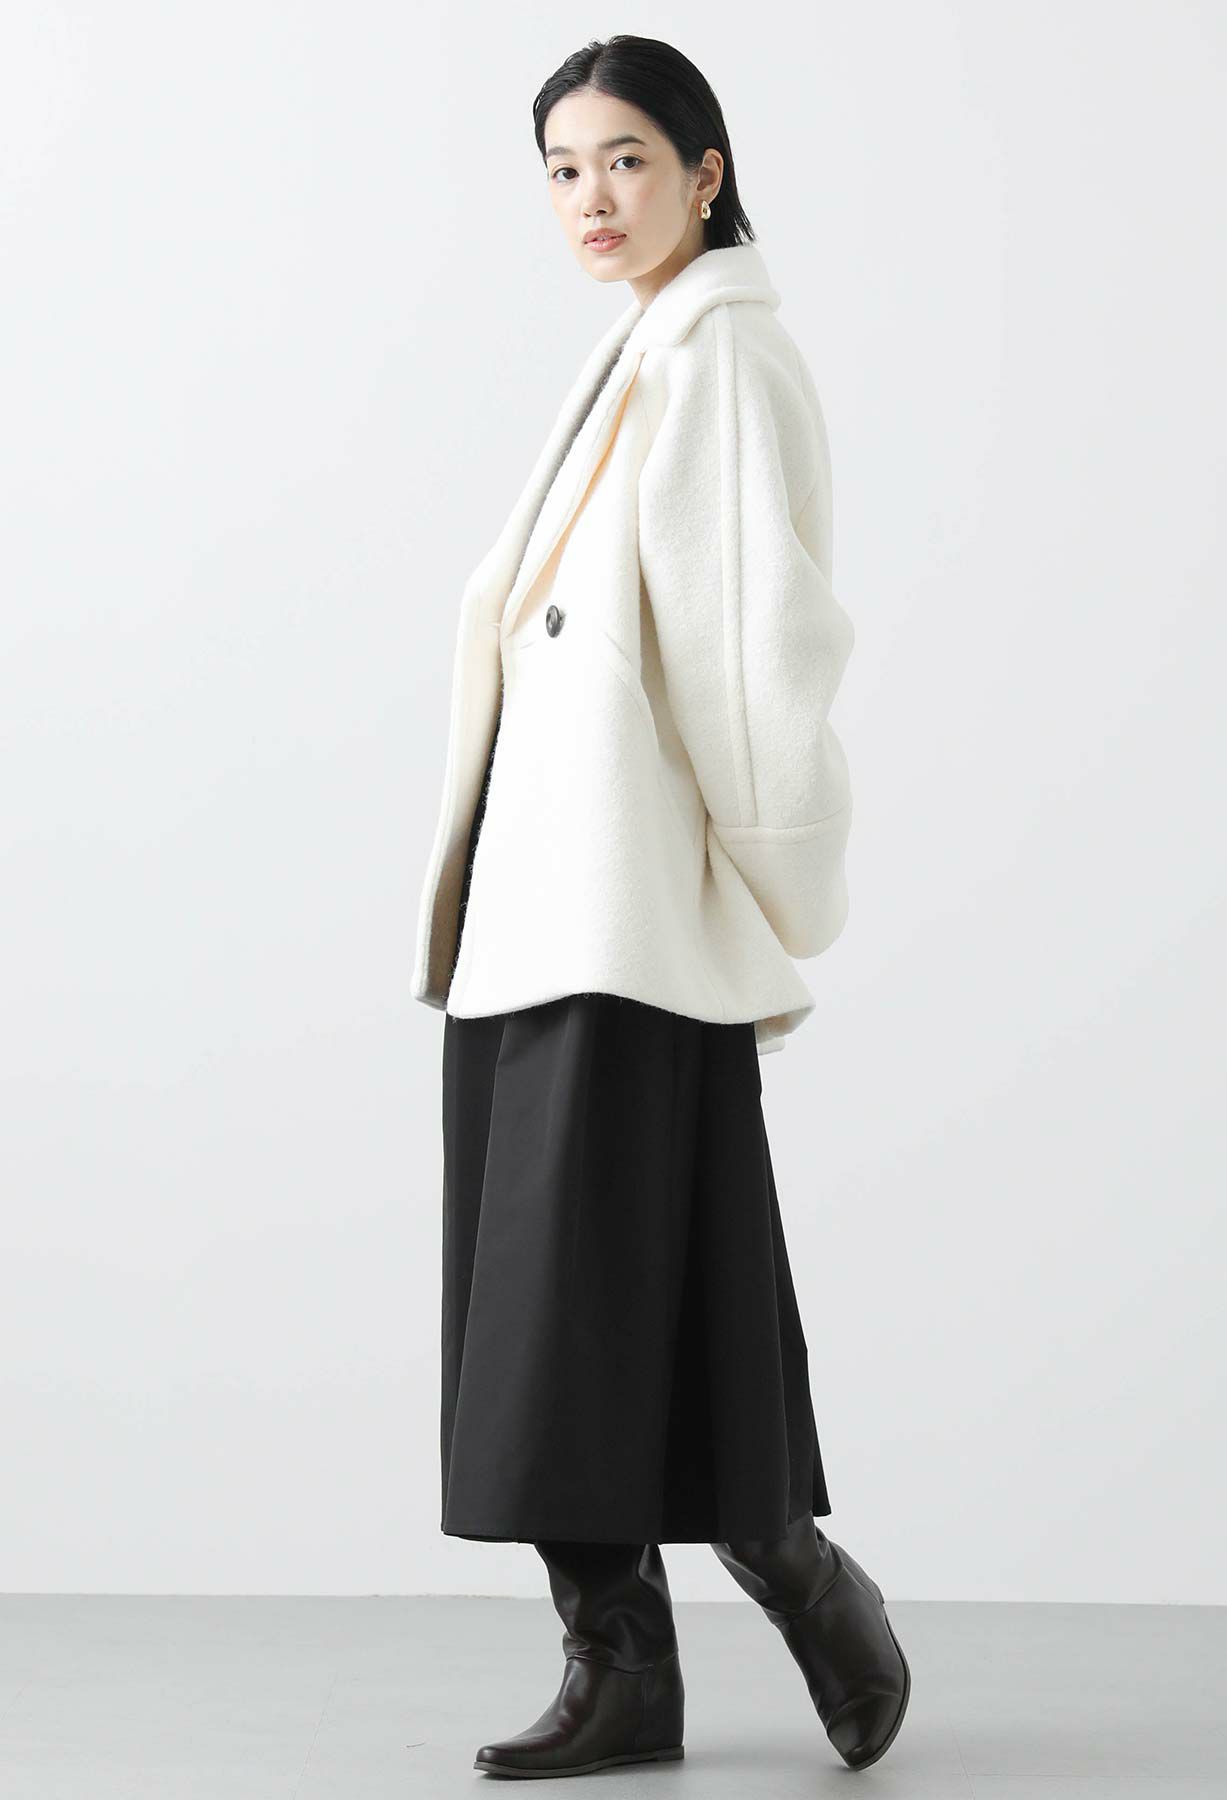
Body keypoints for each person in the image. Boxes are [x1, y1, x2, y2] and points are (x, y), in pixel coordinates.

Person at [410, 34, 910, 1779]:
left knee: (615, 1294)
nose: (592, 199)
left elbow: (756, 650)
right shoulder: (637, 350)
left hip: (620, 910)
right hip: (541, 906)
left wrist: (781, 872)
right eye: (563, 170)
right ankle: (623, 1667)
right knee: (554, 1309)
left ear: (705, 171)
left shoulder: (719, 360)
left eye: (626, 160)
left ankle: (796, 1578)